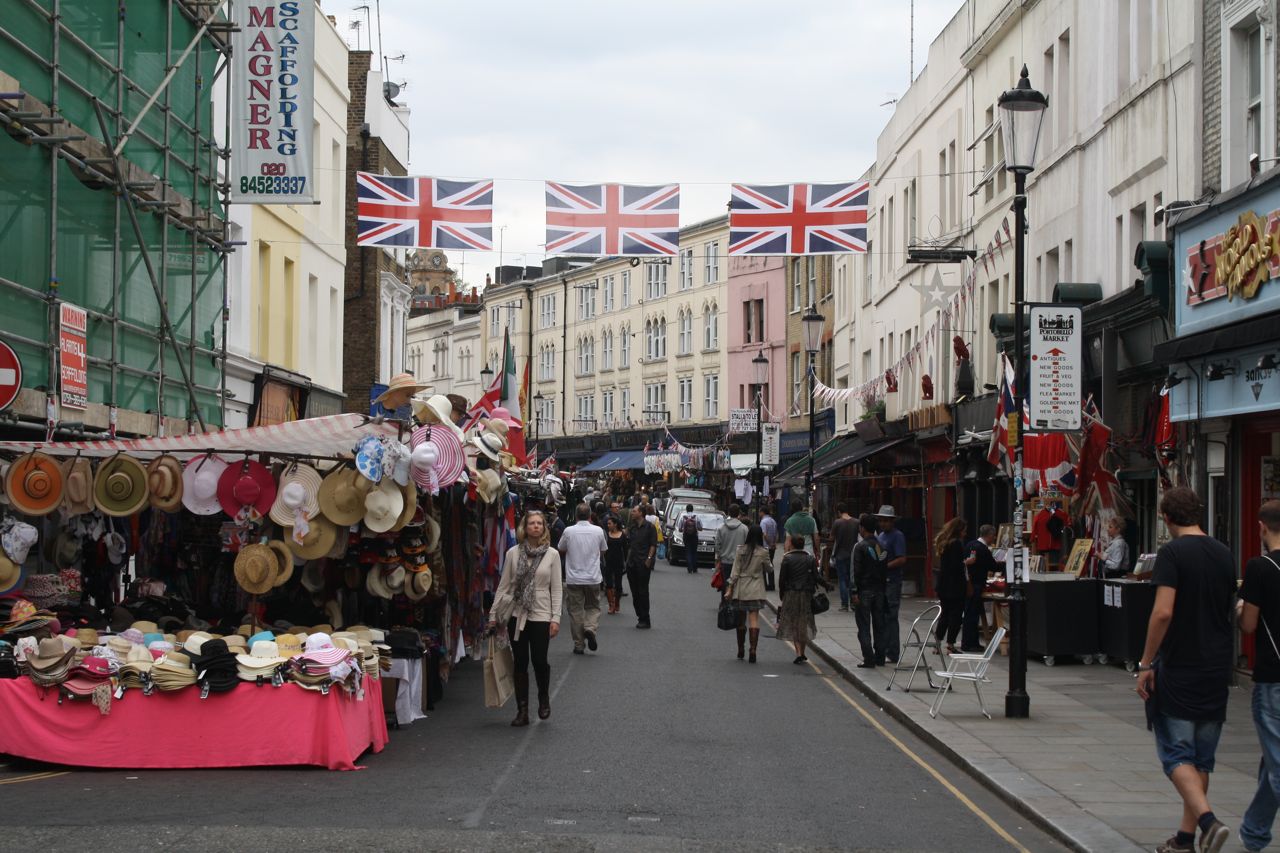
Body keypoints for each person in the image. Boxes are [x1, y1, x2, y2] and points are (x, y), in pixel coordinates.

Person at [1134, 486, 1235, 853]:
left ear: (1166, 518)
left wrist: (1146, 663)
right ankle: (1185, 840)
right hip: (1217, 667)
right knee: (1201, 760)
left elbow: (1163, 612)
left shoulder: (1172, 553)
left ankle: (1209, 822)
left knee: (1177, 755)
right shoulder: (1224, 553)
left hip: (1180, 666)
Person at [488, 510, 562, 726]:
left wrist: (556, 618)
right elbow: (503, 586)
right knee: (520, 662)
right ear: (525, 527)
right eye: (532, 523)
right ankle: (522, 710)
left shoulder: (552, 555)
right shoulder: (513, 553)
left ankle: (543, 697)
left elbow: (557, 589)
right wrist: (493, 615)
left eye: (540, 523)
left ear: (544, 528)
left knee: (539, 660)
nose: (536, 526)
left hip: (541, 612)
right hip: (516, 612)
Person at [1237, 499, 1280, 853]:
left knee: (1277, 760)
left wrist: (1239, 608)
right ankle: (1254, 832)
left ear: (1262, 527)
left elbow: (1249, 624)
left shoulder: (1259, 567)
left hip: (1272, 676)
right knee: (1272, 758)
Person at [558, 503, 607, 655]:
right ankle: (590, 628)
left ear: (576, 515)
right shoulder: (598, 531)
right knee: (593, 607)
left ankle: (579, 644)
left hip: (574, 577)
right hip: (592, 576)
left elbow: (561, 548)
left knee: (575, 611)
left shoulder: (568, 531)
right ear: (590, 515)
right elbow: (603, 550)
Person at [777, 534, 827, 664]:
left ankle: (799, 652)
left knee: (794, 622)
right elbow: (817, 577)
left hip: (791, 593)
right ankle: (803, 652)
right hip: (806, 594)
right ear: (803, 544)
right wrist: (827, 585)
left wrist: (781, 593)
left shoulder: (787, 559)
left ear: (792, 544)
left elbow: (782, 579)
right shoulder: (810, 558)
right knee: (803, 622)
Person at [726, 524, 771, 663]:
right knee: (754, 619)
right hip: (756, 588)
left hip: (741, 588)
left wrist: (730, 587)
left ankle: (741, 649)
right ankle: (753, 650)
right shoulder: (763, 552)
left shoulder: (740, 550)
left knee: (741, 620)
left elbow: (735, 571)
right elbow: (769, 569)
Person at [851, 513, 889, 668]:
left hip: (864, 591)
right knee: (880, 625)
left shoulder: (860, 547)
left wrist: (854, 591)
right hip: (880, 591)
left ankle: (869, 658)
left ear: (862, 528)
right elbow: (884, 570)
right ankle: (880, 657)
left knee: (864, 626)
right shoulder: (882, 546)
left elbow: (855, 571)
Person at [876, 505, 908, 663]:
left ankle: (893, 652)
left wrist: (885, 566)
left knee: (891, 616)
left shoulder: (897, 536)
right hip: (882, 581)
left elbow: (902, 559)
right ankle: (884, 649)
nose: (883, 523)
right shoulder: (881, 536)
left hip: (892, 581)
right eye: (881, 520)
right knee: (882, 616)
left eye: (886, 521)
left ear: (892, 521)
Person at [933, 518, 968, 654]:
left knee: (945, 614)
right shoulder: (957, 544)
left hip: (943, 584)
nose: (965, 533)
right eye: (964, 531)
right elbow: (956, 566)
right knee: (956, 615)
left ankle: (937, 643)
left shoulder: (944, 543)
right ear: (958, 530)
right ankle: (950, 644)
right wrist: (966, 562)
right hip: (955, 585)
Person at [961, 524, 998, 652]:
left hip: (968, 583)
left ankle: (969, 642)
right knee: (973, 614)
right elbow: (993, 566)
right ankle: (970, 643)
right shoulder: (982, 549)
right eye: (993, 535)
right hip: (976, 584)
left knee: (969, 613)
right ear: (989, 535)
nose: (994, 538)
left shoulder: (970, 544)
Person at [626, 505, 657, 629]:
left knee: (643, 591)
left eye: (634, 511)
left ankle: (645, 618)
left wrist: (649, 559)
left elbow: (653, 545)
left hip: (643, 563)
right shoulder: (632, 527)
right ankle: (640, 616)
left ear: (641, 513)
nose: (632, 513)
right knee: (634, 592)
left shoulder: (650, 527)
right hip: (632, 563)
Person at [715, 504, 749, 596]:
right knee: (737, 585)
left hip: (725, 561)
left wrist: (718, 558)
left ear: (728, 513)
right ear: (739, 514)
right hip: (739, 562)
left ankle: (725, 602)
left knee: (725, 584)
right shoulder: (744, 529)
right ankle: (734, 602)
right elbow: (747, 546)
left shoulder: (721, 528)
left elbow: (717, 546)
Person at [829, 504, 858, 612]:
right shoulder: (856, 522)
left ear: (838, 512)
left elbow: (831, 538)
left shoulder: (837, 522)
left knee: (842, 579)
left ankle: (844, 604)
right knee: (851, 579)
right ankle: (853, 603)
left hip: (840, 554)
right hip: (853, 554)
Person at [603, 515, 628, 615]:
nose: (608, 525)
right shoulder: (606, 535)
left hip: (618, 562)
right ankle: (611, 605)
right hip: (608, 562)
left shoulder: (622, 535)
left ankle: (617, 602)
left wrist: (626, 562)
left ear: (615, 524)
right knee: (608, 584)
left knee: (618, 585)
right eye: (607, 524)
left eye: (610, 523)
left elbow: (625, 550)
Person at [677, 504, 703, 574]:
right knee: (694, 551)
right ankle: (695, 568)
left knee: (688, 551)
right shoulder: (696, 517)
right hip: (694, 536)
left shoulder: (683, 517)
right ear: (692, 509)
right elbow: (701, 528)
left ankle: (689, 568)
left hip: (686, 536)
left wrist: (684, 529)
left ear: (686, 510)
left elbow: (679, 529)